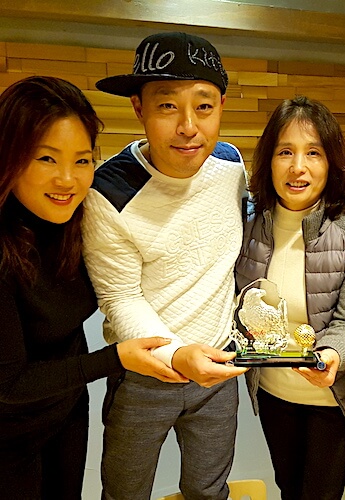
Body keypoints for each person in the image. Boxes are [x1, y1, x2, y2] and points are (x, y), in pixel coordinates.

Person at [82, 32, 248, 499]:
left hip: (219, 368)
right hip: (143, 375)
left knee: (208, 491)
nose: (189, 127)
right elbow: (120, 297)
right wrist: (175, 355)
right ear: (139, 108)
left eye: (204, 106)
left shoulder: (231, 165)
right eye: (168, 106)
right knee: (125, 491)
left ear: (221, 107)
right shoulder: (108, 192)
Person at [0, 76, 176, 500]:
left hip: (66, 414)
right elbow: (9, 384)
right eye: (47, 158)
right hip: (7, 434)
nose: (67, 180)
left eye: (82, 160)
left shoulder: (78, 221)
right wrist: (116, 358)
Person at [235, 96, 345, 500]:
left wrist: (332, 355)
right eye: (285, 152)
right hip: (273, 394)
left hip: (332, 400)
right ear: (268, 161)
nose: (298, 167)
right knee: (288, 488)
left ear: (331, 163)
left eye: (313, 152)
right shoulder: (247, 225)